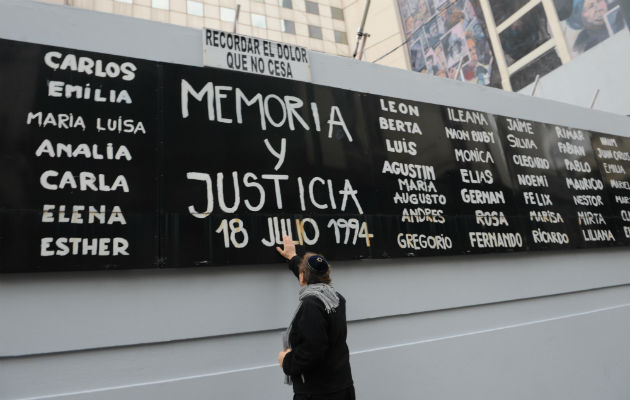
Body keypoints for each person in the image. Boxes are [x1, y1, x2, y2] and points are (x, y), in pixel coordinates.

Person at [276, 235, 355, 400]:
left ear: (303, 277)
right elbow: (312, 277)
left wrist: (287, 361)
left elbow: (312, 351)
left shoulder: (312, 304)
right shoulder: (334, 297)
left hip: (318, 393)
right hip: (342, 387)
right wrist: (292, 257)